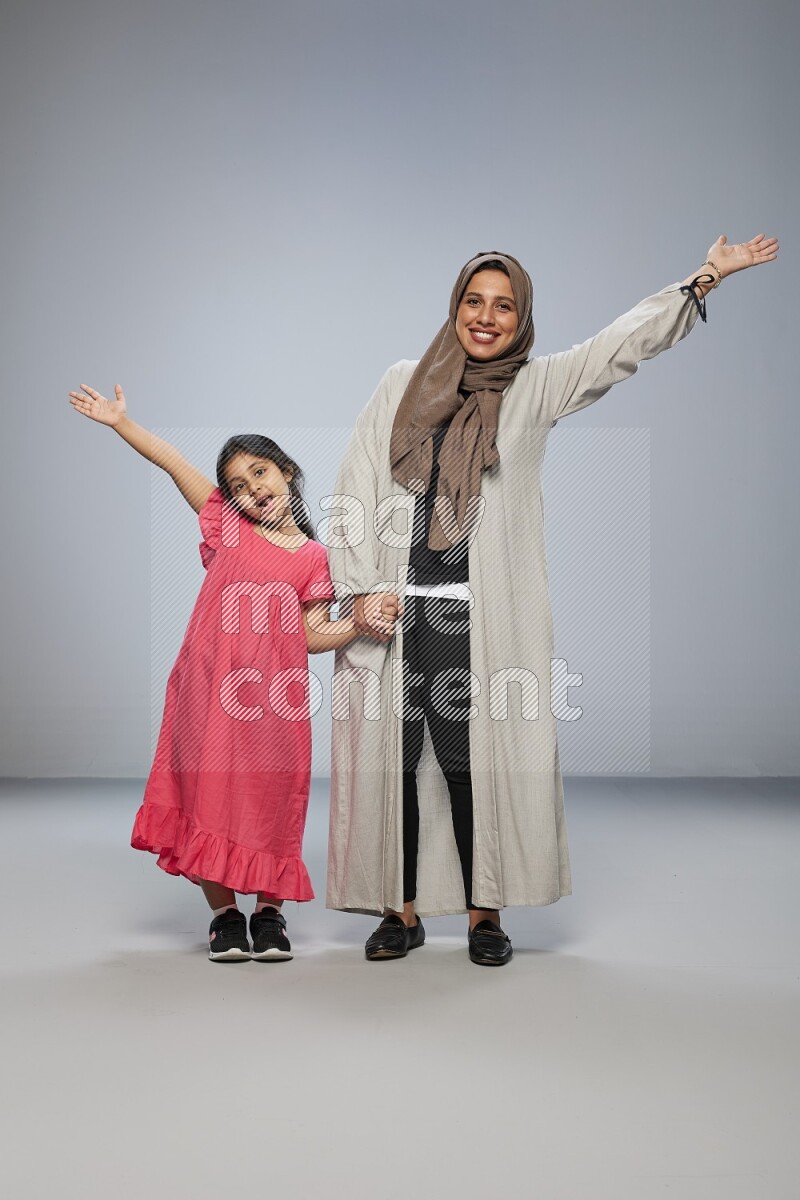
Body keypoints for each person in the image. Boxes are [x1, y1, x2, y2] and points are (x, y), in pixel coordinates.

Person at [326, 233, 779, 966]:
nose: (486, 316)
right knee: (397, 765)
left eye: (503, 306)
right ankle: (398, 910)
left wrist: (703, 281)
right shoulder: (402, 382)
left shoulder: (533, 387)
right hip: (397, 613)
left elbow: (615, 348)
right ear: (455, 306)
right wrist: (360, 590)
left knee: (478, 765)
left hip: (481, 615)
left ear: (521, 317)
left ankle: (485, 913)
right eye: (474, 300)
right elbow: (356, 482)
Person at [68, 384, 399, 962]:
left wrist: (359, 624)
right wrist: (122, 422)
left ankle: (270, 915)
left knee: (271, 796)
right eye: (239, 486)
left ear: (288, 472)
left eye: (261, 473)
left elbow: (310, 634)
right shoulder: (228, 526)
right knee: (206, 794)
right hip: (205, 691)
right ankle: (224, 917)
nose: (253, 490)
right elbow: (172, 462)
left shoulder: (314, 559)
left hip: (273, 700)